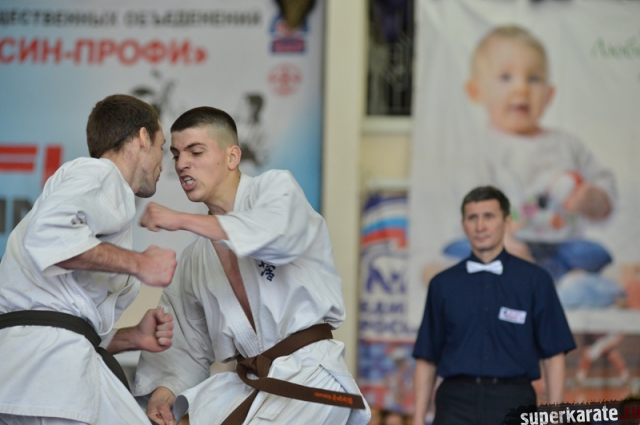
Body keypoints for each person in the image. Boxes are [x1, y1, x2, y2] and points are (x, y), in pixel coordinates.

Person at [134, 106, 370, 425]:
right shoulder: (195, 260)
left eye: (195, 152)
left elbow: (277, 234)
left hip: (311, 376)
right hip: (254, 386)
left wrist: (180, 219)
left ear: (232, 157)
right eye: (176, 155)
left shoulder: (275, 190)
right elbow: (184, 350)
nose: (181, 164)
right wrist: (162, 398)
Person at [0, 94, 178, 424]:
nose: (162, 164)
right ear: (142, 137)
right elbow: (49, 235)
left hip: (33, 370)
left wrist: (132, 337)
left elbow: (64, 310)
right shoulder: (100, 173)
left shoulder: (99, 188)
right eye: (161, 147)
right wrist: (141, 264)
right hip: (48, 373)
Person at [461, 25, 617, 282]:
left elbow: (603, 182)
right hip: (507, 245)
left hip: (562, 244)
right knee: (460, 250)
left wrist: (596, 199)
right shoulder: (479, 148)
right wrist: (500, 241)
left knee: (596, 254)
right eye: (506, 77)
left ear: (549, 94)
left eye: (533, 79)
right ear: (475, 90)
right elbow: (470, 208)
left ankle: (563, 280)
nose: (521, 89)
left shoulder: (566, 144)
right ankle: (543, 279)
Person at [412, 186, 576, 425]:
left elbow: (554, 355)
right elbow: (427, 357)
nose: (480, 226)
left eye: (489, 216)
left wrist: (555, 418)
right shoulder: (442, 284)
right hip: (454, 405)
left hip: (514, 402)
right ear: (464, 225)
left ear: (507, 223)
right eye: (473, 218)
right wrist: (418, 419)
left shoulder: (535, 281)